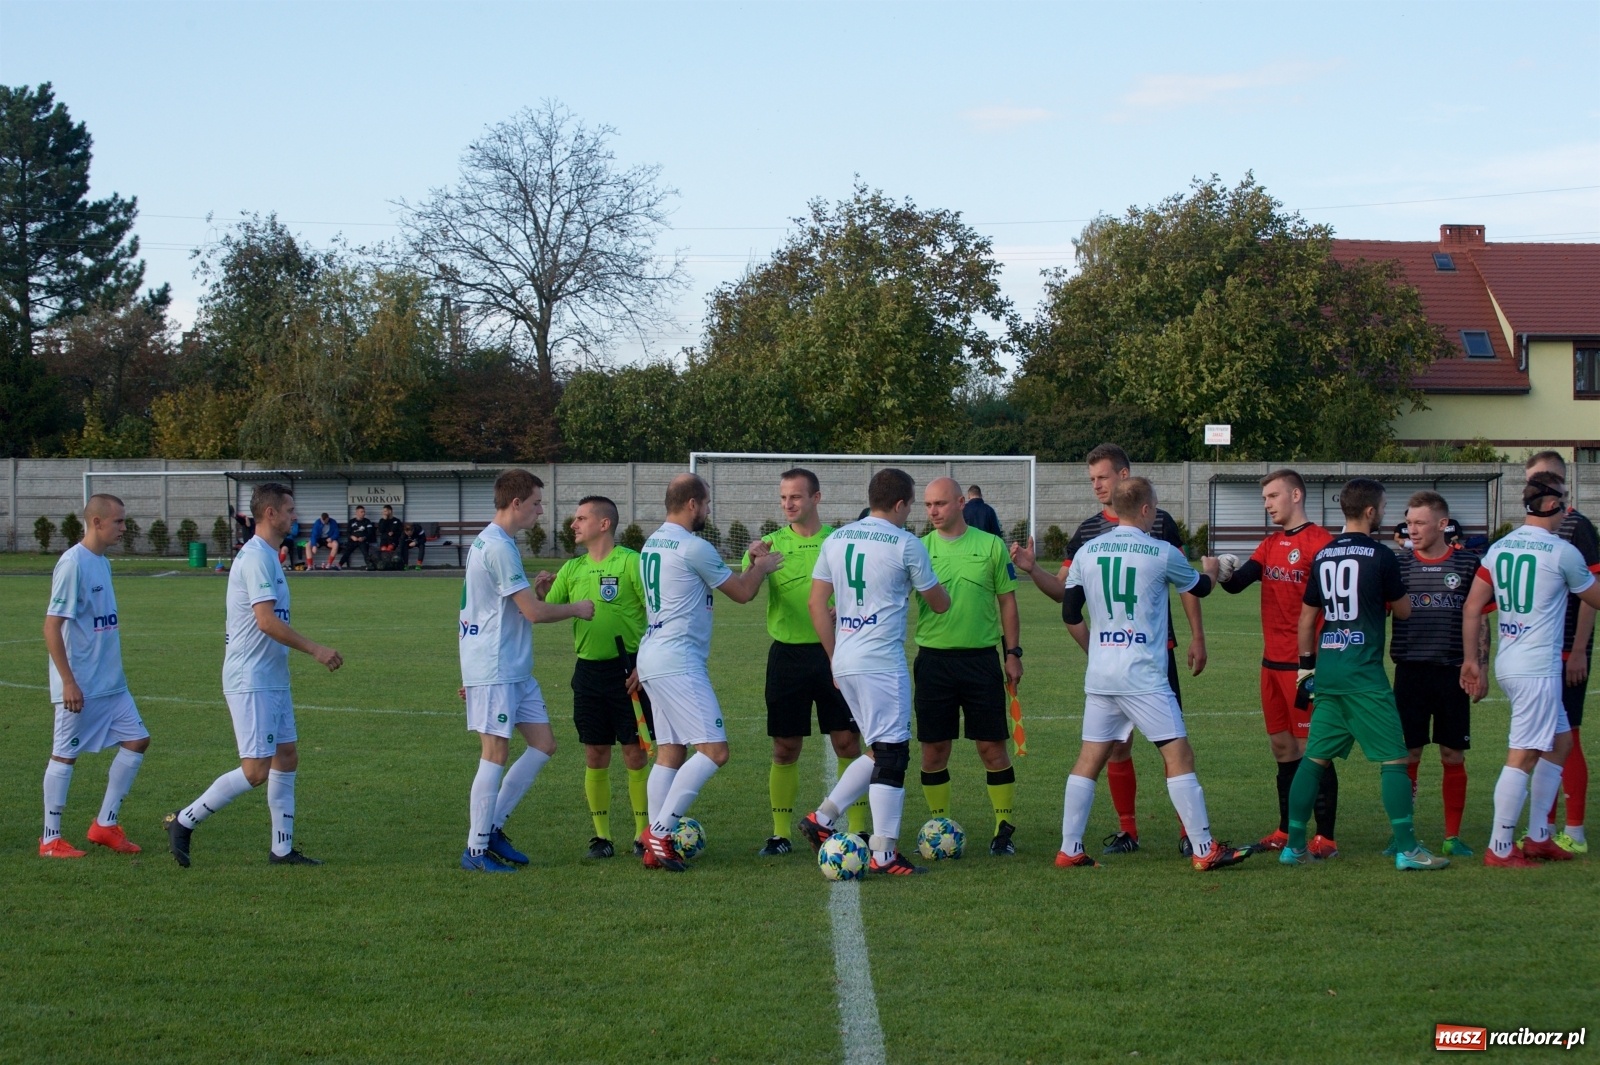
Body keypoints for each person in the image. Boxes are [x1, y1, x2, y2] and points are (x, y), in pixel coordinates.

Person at [1010, 442, 1201, 856]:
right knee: (1142, 746)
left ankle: (1185, 834)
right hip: (1135, 664)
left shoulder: (1161, 523)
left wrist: (1196, 636)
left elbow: (1182, 585)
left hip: (1148, 654)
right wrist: (1034, 568)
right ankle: (1133, 831)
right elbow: (1064, 592)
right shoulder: (1088, 532)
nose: (1097, 486)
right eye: (1092, 479)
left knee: (1125, 750)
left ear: (1124, 476)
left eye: (1103, 477)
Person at [1055, 478, 1245, 871]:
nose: (1156, 514)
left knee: (1089, 758)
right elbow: (1201, 588)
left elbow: (1070, 612)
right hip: (1143, 675)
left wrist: (1099, 650)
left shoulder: (1089, 551)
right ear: (1144, 509)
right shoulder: (1158, 552)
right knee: (1179, 755)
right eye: (1154, 508)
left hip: (1102, 675)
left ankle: (1070, 848)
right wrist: (1214, 568)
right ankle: (1204, 848)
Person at [165, 482, 344, 868]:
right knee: (255, 770)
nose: (295, 517)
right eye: (290, 510)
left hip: (271, 675)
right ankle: (184, 821)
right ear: (271, 514)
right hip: (251, 677)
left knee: (287, 756)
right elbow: (265, 621)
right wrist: (316, 649)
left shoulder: (269, 556)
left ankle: (282, 850)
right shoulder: (257, 558)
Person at [1281, 478, 1448, 871]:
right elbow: (1404, 610)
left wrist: (1307, 667)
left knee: (1314, 759)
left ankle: (1294, 846)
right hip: (1364, 673)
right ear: (1371, 511)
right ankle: (1407, 849)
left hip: (1330, 669)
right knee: (1394, 759)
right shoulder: (1381, 555)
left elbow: (1307, 621)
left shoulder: (1323, 555)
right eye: (1385, 508)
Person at [798, 468, 951, 875]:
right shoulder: (907, 544)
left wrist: (833, 656)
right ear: (901, 504)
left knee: (881, 748)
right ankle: (884, 853)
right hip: (881, 662)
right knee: (894, 752)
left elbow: (816, 604)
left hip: (845, 657)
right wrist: (939, 587)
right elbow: (939, 604)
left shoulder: (836, 538)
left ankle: (822, 818)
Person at [636, 473, 782, 872]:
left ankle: (652, 844)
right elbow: (742, 592)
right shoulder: (692, 545)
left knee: (669, 752)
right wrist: (763, 567)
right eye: (707, 504)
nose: (709, 511)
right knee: (715, 751)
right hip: (677, 659)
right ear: (692, 504)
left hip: (653, 653)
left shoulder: (654, 541)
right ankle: (660, 832)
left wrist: (749, 564)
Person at [458, 470, 593, 872]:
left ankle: (492, 826)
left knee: (544, 745)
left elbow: (504, 608)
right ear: (516, 503)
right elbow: (532, 615)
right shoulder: (497, 546)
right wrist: (575, 608)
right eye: (536, 502)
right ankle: (476, 851)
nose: (540, 509)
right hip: (496, 667)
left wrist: (535, 592)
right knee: (494, 753)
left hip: (512, 667)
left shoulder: (501, 543)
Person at [1462, 473, 1600, 867]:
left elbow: (1473, 607)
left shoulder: (1500, 547)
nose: (1568, 509)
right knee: (1522, 756)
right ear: (1551, 503)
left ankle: (1539, 836)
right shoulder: (1561, 551)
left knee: (1560, 745)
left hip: (1513, 660)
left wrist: (1473, 658)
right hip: (1537, 668)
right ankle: (1500, 847)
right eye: (1565, 500)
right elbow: (1595, 597)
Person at [1204, 469, 1340, 855]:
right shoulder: (1269, 544)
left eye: (1272, 496)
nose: (1267, 504)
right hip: (1271, 665)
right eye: (1264, 498)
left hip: (1307, 667)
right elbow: (1240, 582)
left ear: (1296, 494)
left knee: (1315, 750)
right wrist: (1221, 571)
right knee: (1283, 750)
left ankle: (1325, 838)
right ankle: (1284, 830)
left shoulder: (1322, 544)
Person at [743, 468, 865, 857]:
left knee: (848, 742)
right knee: (784, 747)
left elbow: (861, 591)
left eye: (795, 496)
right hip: (787, 656)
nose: (788, 504)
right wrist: (753, 563)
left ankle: (858, 830)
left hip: (835, 652)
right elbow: (745, 588)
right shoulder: (769, 546)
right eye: (783, 498)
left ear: (816, 498)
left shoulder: (841, 541)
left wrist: (840, 609)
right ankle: (780, 834)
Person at [533, 495, 653, 860]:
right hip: (587, 673)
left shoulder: (633, 562)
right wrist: (542, 593)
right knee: (595, 753)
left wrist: (643, 665)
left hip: (629, 670)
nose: (573, 524)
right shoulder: (572, 569)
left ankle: (641, 833)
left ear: (604, 524)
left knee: (635, 753)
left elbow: (660, 615)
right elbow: (548, 609)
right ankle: (601, 837)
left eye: (581, 518)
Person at [39, 494, 150, 858]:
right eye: (118, 521)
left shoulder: (101, 562)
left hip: (111, 685)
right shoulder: (73, 564)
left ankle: (104, 824)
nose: (123, 527)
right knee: (64, 756)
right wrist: (68, 681)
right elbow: (52, 626)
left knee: (137, 740)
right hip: (81, 686)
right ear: (97, 522)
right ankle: (50, 839)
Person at [916, 477, 1022, 855]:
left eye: (940, 504)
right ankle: (937, 826)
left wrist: (1013, 653)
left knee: (991, 748)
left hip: (981, 661)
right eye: (928, 505)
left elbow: (1007, 602)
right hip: (933, 662)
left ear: (961, 503)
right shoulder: (917, 548)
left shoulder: (990, 545)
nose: (933, 511)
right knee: (933, 751)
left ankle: (1003, 830)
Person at [1391, 491, 1484, 857]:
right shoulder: (1397, 566)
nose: (1411, 530)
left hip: (1452, 673)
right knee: (1408, 754)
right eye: (1408, 522)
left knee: (1452, 754)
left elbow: (1480, 618)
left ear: (1442, 524)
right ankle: (1403, 834)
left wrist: (1480, 666)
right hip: (1410, 671)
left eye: (1419, 523)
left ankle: (1452, 835)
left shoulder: (1467, 564)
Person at [1524, 451, 1598, 853]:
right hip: (1538, 650)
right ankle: (1544, 829)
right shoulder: (1535, 529)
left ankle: (1575, 830)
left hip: (1566, 650)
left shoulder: (1576, 527)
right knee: (1543, 739)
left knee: (1568, 738)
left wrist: (1580, 649)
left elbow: (1591, 595)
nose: (1531, 489)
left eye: (1538, 480)